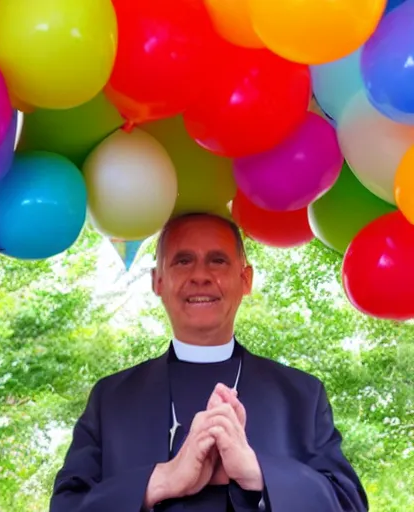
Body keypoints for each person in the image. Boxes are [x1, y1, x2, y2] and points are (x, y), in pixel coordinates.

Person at [49, 212, 369, 512]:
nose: (200, 275)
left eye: (217, 260)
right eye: (183, 260)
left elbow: (348, 502)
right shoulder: (112, 397)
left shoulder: (301, 395)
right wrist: (163, 479)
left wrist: (256, 471)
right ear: (158, 281)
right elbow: (66, 504)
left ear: (245, 280)